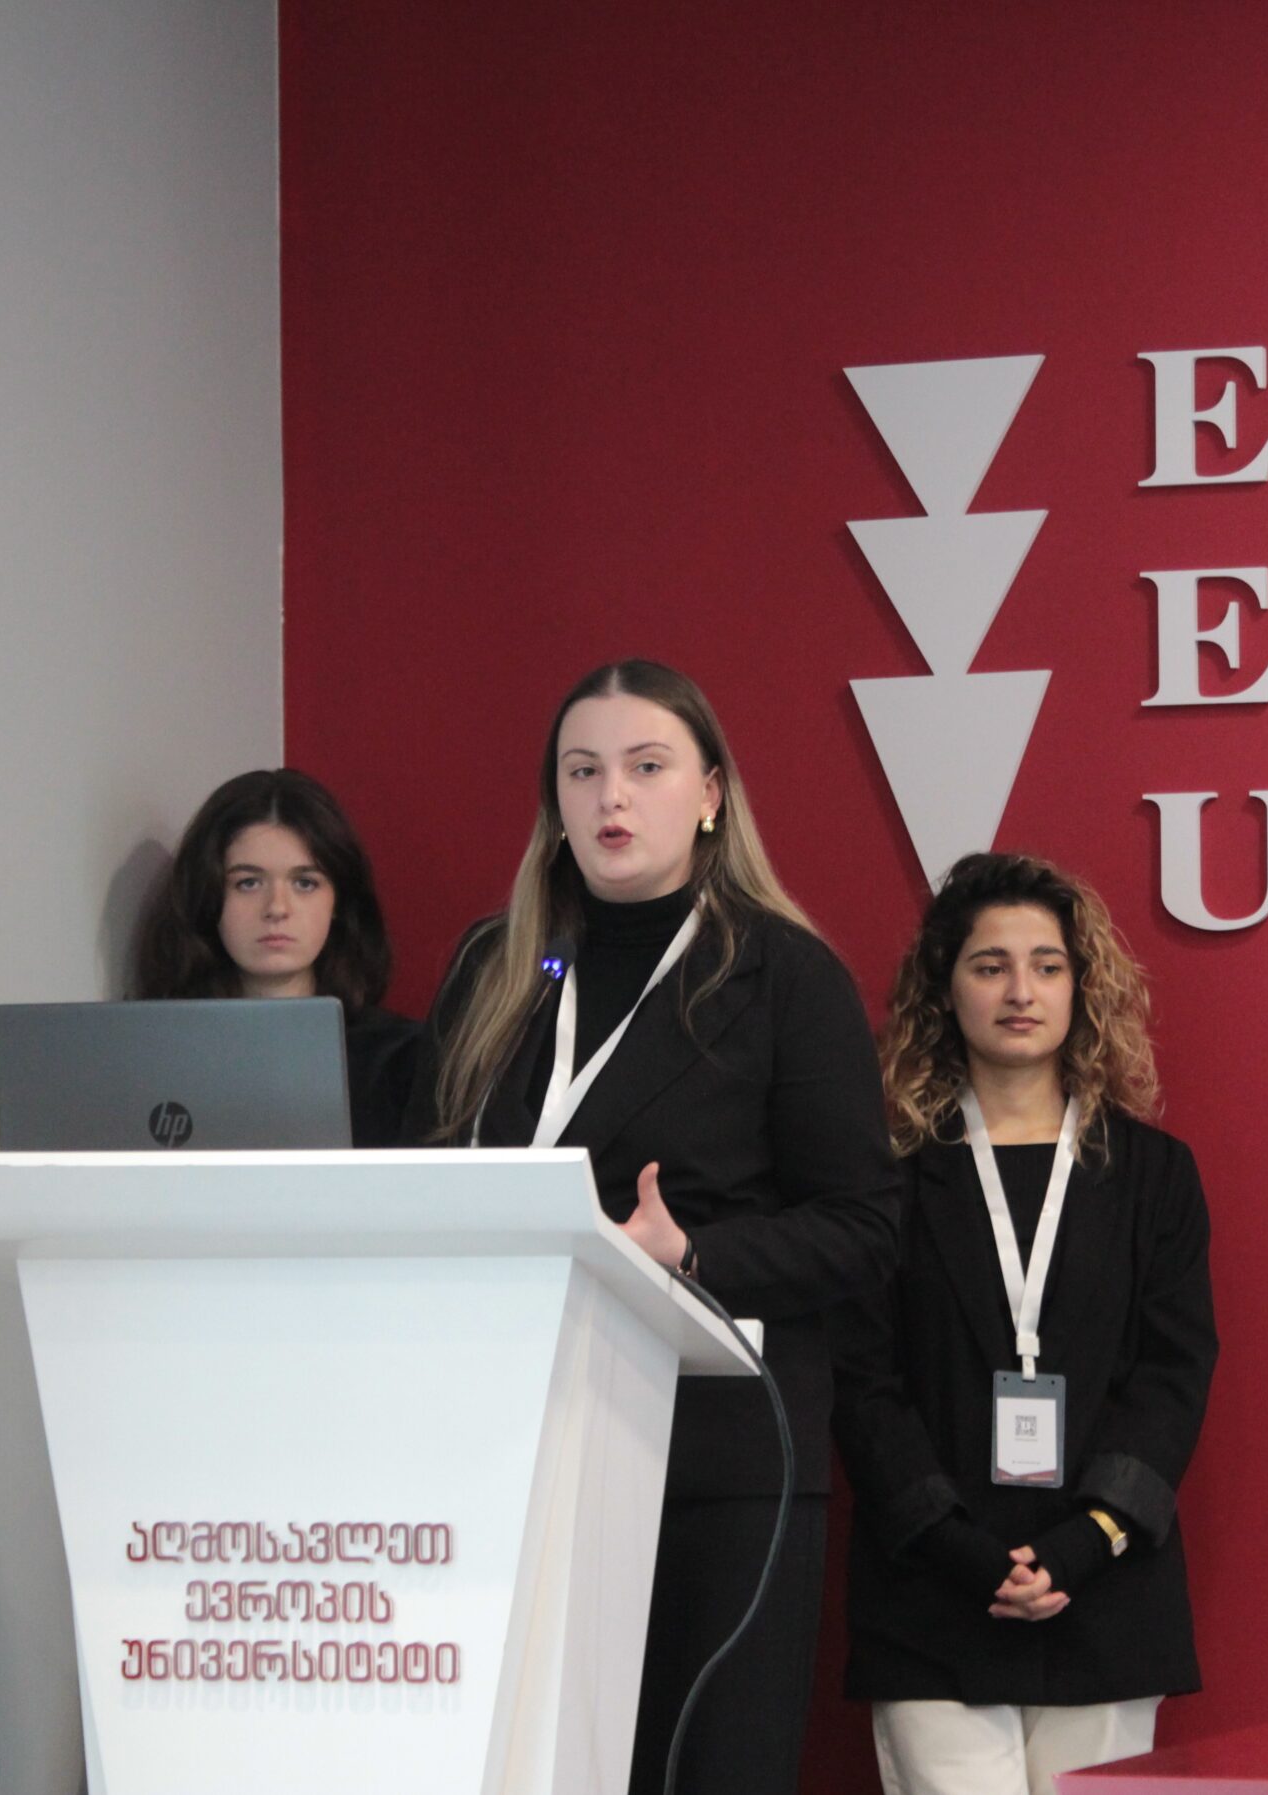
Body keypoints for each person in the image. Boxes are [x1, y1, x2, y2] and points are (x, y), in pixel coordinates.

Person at [414, 658, 899, 1795]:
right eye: (582, 772)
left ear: (711, 794)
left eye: (645, 767)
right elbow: (424, 1175)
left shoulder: (785, 975)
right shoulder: (496, 968)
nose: (611, 798)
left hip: (715, 1458)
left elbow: (867, 1228)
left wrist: (691, 1255)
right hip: (510, 1447)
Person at [834, 853, 1217, 1795]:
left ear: (1081, 988)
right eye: (989, 965)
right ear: (945, 987)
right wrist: (960, 1549)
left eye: (1047, 966)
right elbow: (862, 1384)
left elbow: (1173, 1377)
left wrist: (1086, 1540)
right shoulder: (885, 1180)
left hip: (1105, 1587)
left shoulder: (1155, 1175)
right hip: (933, 1591)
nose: (1019, 991)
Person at [133, 767, 419, 1147]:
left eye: (305, 883)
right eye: (248, 883)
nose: (277, 908)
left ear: (338, 901)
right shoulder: (147, 1051)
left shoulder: (400, 1059)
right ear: (208, 896)